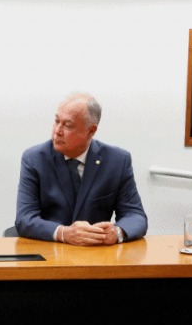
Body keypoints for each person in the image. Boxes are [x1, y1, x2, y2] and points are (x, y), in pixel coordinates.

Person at [15, 92, 147, 245]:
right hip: (49, 253)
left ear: (91, 131)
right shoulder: (35, 159)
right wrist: (64, 233)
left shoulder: (117, 161)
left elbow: (136, 216)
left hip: (96, 255)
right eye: (57, 121)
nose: (58, 131)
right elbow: (25, 219)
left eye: (68, 125)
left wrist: (117, 233)